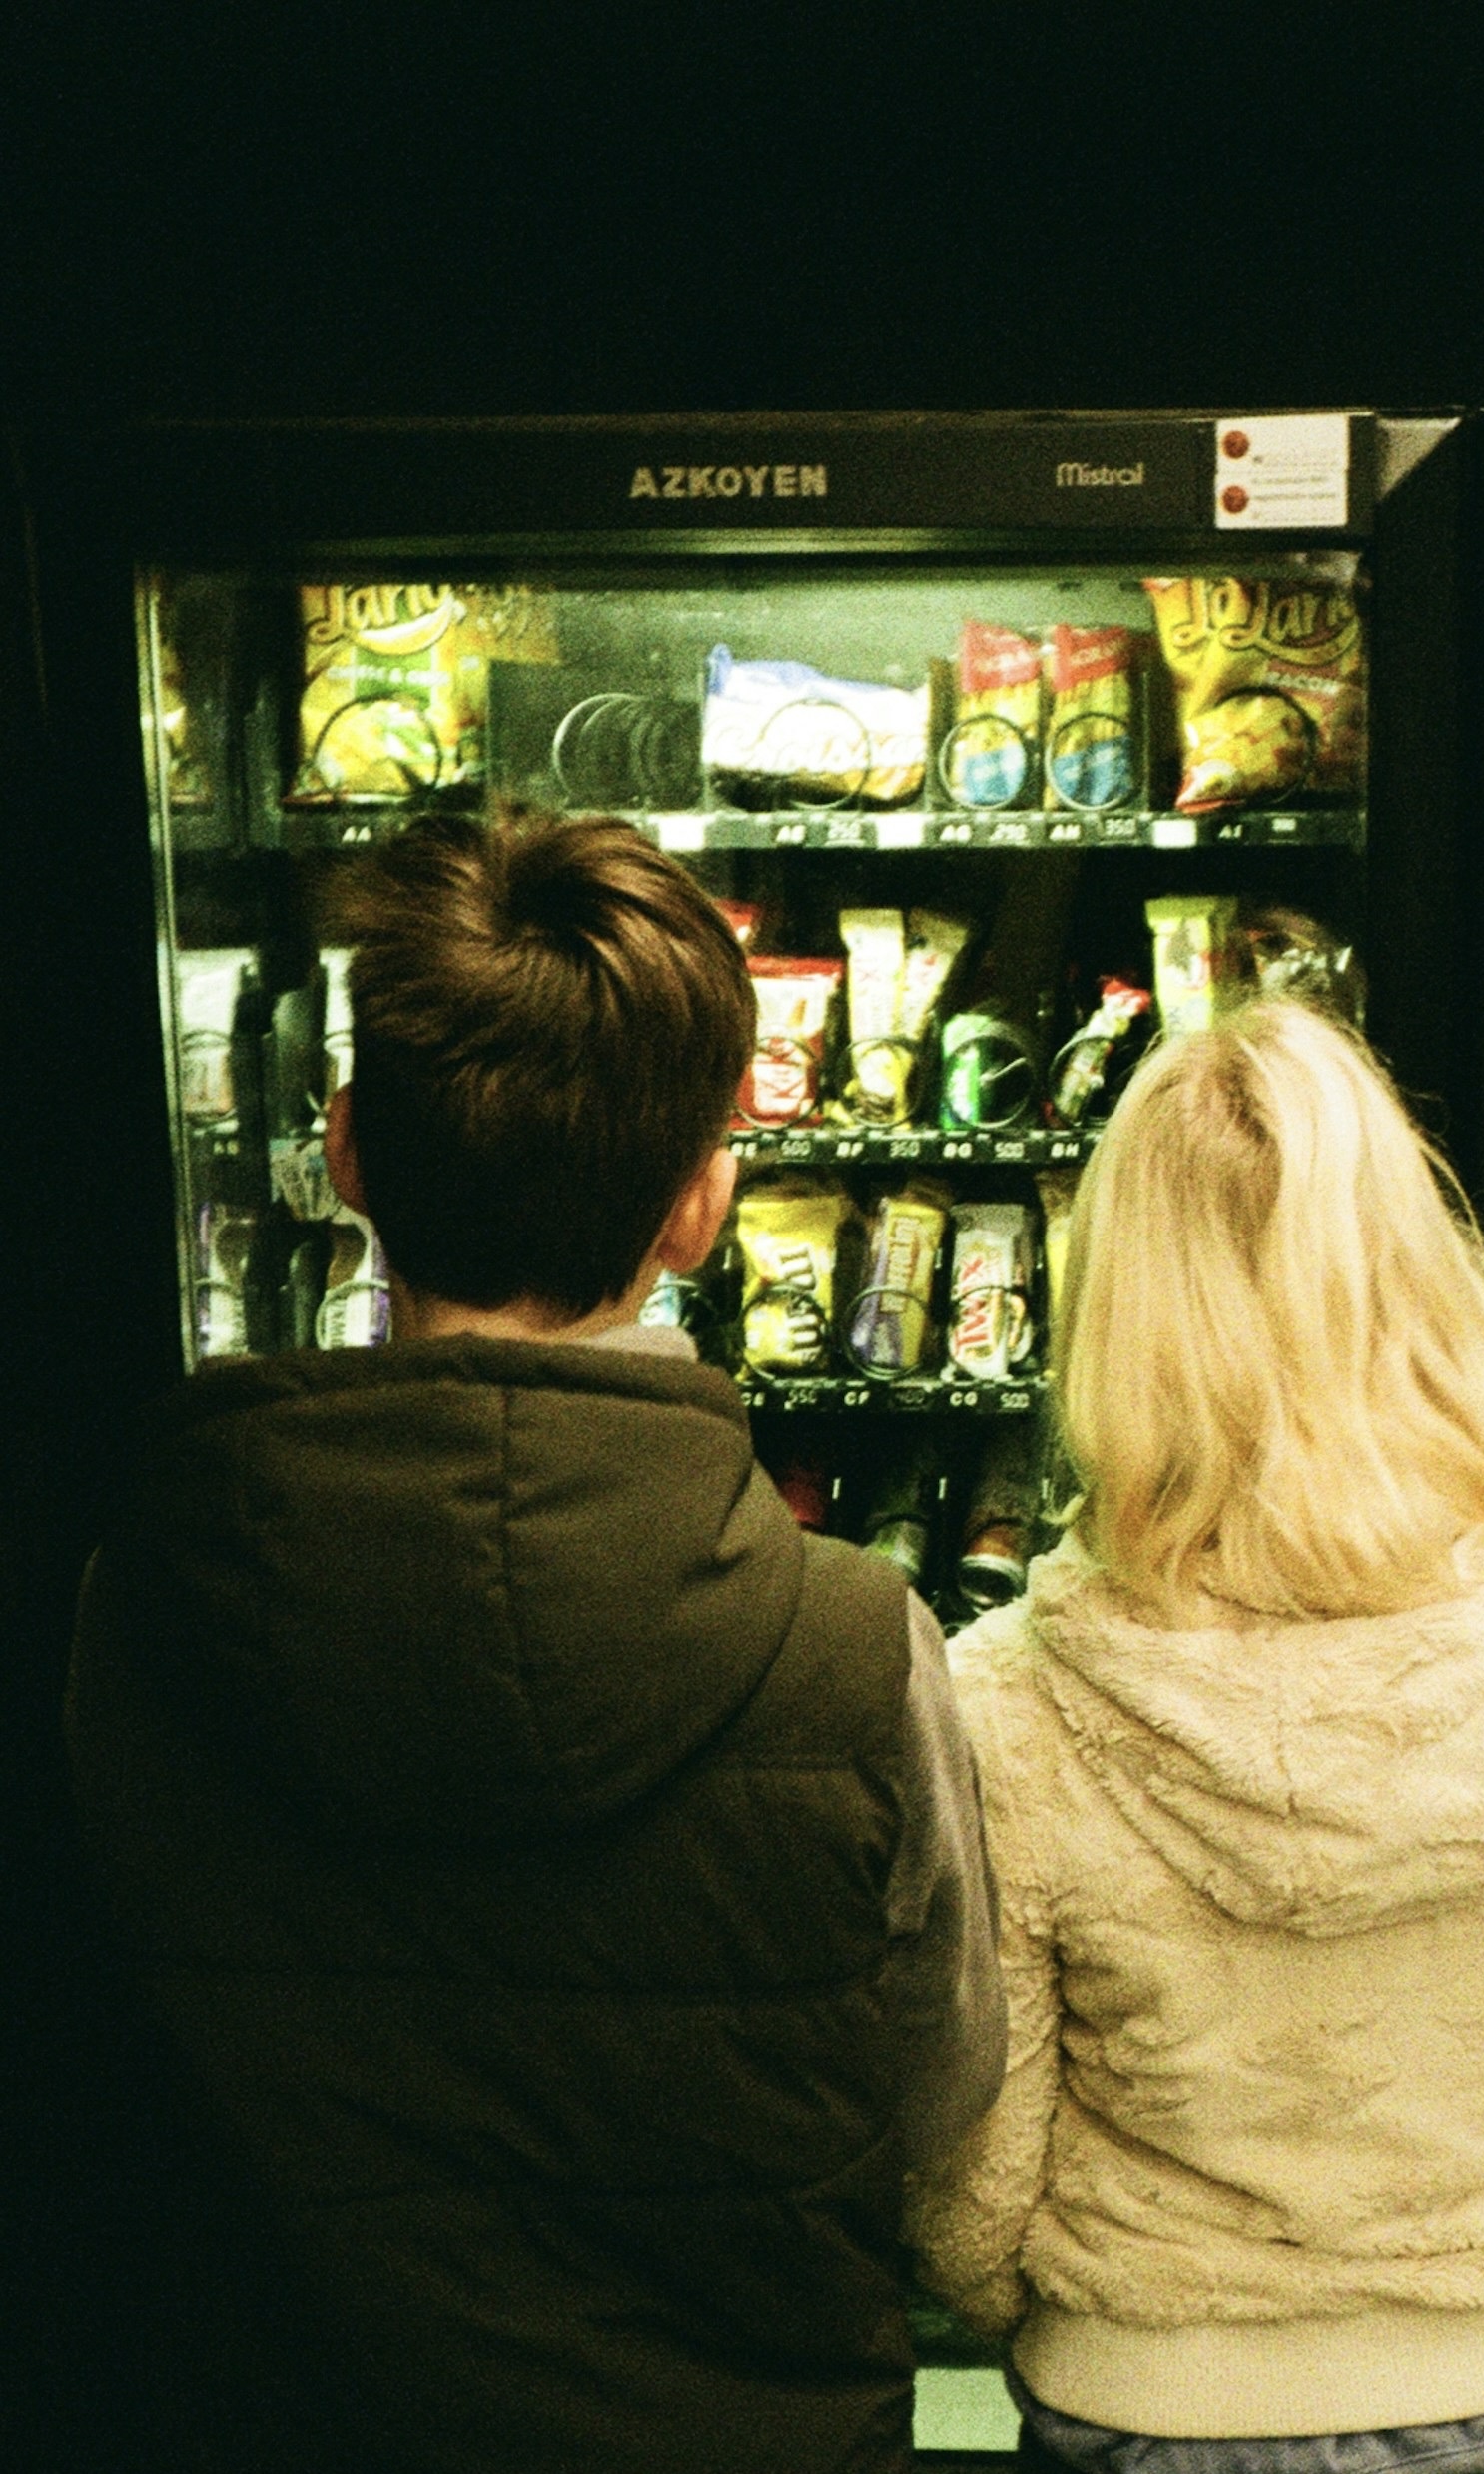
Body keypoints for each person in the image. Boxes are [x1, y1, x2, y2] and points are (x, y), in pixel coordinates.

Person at [67, 813, 1005, 2474]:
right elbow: (942, 2100)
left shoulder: (129, 1607)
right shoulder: (864, 1645)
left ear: (345, 1152)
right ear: (705, 1203)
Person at [906, 1000, 1484, 2474]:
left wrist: (1073, 2301)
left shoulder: (1013, 1698)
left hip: (1151, 2402)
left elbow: (975, 2159)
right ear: (1411, 1271)